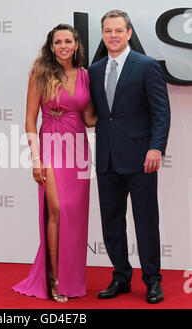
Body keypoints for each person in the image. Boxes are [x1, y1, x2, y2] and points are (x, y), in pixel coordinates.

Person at [89, 10, 170, 304]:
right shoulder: (95, 70)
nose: (113, 35)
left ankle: (153, 281)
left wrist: (156, 147)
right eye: (108, 31)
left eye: (118, 30)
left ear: (129, 33)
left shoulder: (146, 66)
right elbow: (98, 114)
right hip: (108, 159)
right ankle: (121, 277)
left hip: (140, 159)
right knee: (111, 222)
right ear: (102, 34)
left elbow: (161, 111)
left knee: (146, 221)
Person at [12, 23, 96, 302]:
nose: (63, 46)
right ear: (51, 46)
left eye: (68, 41)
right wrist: (35, 159)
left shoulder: (85, 75)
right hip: (50, 146)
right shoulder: (41, 72)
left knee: (74, 216)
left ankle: (72, 278)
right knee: (56, 210)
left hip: (78, 149)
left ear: (76, 45)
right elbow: (29, 120)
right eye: (57, 41)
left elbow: (89, 118)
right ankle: (54, 279)